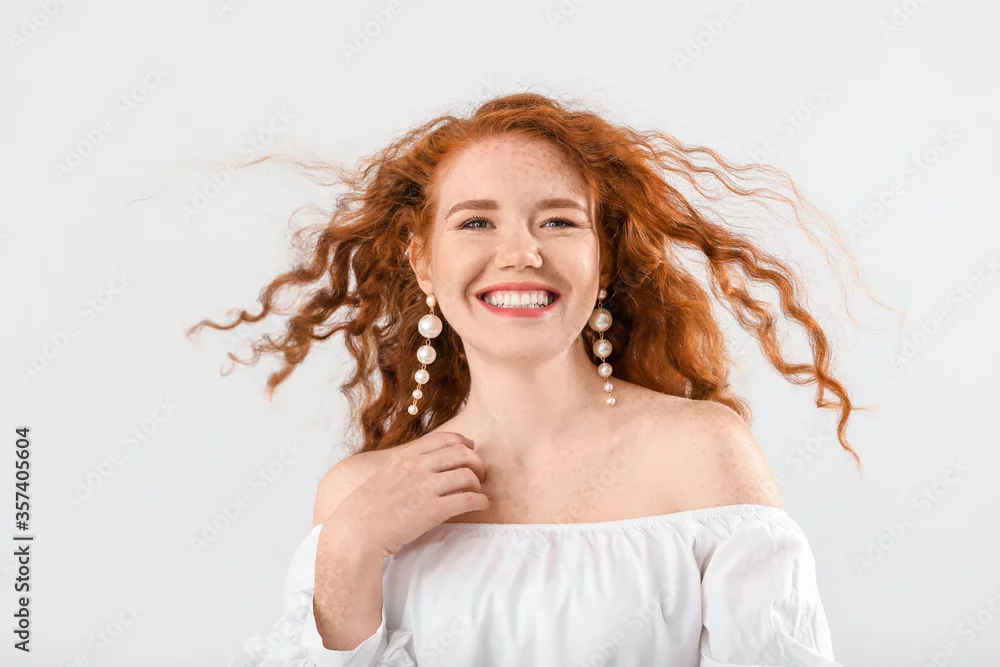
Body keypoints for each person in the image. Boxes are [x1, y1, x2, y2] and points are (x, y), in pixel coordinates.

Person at [192, 92, 872, 665]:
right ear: (423, 262)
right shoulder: (357, 497)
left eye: (558, 221)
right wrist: (349, 549)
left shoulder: (701, 453)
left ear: (603, 262)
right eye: (476, 221)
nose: (521, 251)